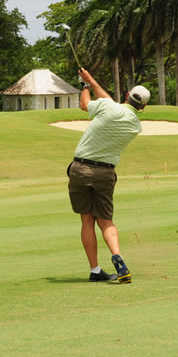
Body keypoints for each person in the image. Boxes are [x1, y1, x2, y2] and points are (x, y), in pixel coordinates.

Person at [67, 67, 150, 284]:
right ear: (143, 107)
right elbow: (110, 104)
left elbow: (85, 105)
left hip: (80, 169)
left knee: (87, 219)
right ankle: (117, 256)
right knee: (106, 221)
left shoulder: (108, 107)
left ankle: (95, 270)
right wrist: (91, 79)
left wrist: (84, 86)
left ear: (126, 96)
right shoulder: (135, 126)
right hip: (105, 173)